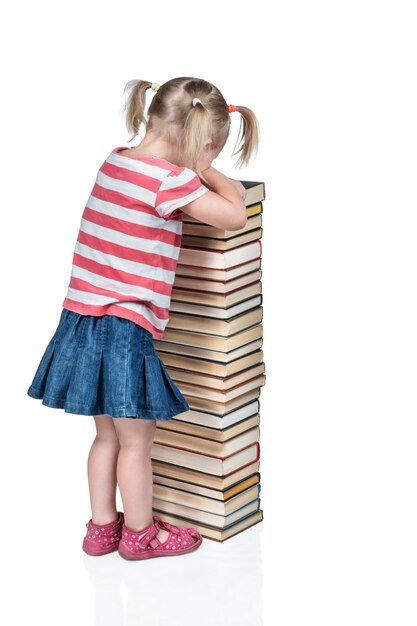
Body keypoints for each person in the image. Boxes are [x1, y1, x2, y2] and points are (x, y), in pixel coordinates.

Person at [27, 76, 260, 560]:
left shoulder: (114, 161)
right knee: (138, 442)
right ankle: (140, 535)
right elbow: (235, 212)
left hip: (80, 319)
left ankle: (101, 528)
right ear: (204, 141)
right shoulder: (171, 181)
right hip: (123, 328)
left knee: (106, 435)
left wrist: (198, 159)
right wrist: (209, 169)